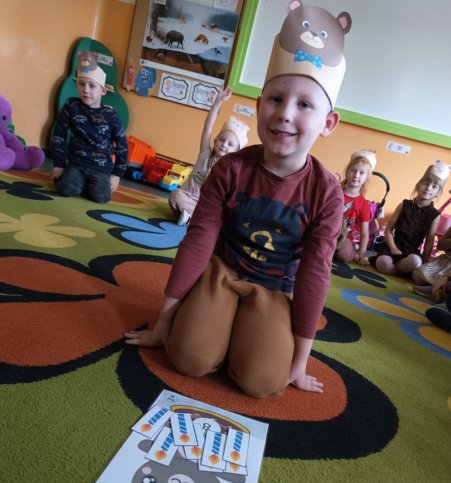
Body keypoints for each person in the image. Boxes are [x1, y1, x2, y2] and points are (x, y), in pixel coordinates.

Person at [125, 2, 352, 397]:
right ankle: (211, 321)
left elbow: (315, 274)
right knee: (188, 358)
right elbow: (198, 241)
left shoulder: (327, 193)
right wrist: (164, 323)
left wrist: (298, 363)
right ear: (260, 105)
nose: (285, 114)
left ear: (328, 122)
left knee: (263, 382)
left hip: (275, 288)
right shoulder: (229, 169)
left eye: (304, 105)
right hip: (222, 271)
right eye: (276, 99)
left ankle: (243, 332)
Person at [50, 55, 128, 203]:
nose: (85, 90)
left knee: (101, 197)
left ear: (103, 91)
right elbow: (59, 134)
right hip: (76, 164)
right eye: (81, 84)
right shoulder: (71, 106)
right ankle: (76, 181)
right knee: (67, 188)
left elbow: (122, 146)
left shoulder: (111, 115)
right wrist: (59, 164)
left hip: (101, 169)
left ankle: (85, 184)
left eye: (92, 86)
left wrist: (117, 175)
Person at [168, 87, 249, 225]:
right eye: (222, 140)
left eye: (230, 144)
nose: (224, 145)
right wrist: (218, 102)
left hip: (207, 206)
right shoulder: (205, 155)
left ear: (236, 151)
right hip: (188, 199)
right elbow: (208, 127)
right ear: (215, 140)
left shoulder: (230, 169)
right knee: (175, 195)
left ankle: (192, 217)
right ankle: (193, 217)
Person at [371, 162, 448, 276]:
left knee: (415, 262)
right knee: (382, 262)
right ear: (418, 185)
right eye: (426, 183)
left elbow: (429, 242)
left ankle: (397, 269)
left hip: (410, 252)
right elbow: (388, 230)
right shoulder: (404, 205)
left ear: (438, 193)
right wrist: (393, 248)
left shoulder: (434, 215)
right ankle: (402, 272)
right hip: (393, 247)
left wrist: (424, 265)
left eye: (434, 187)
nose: (428, 188)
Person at [334, 149, 377, 265]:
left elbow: (364, 233)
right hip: (327, 230)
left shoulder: (363, 205)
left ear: (367, 177)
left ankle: (351, 250)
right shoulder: (334, 192)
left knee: (344, 255)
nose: (356, 175)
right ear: (347, 171)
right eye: (353, 170)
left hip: (344, 238)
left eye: (361, 173)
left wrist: (362, 254)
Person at [411, 226, 451, 296]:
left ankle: (439, 289)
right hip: (444, 261)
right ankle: (439, 288)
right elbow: (440, 245)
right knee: (418, 276)